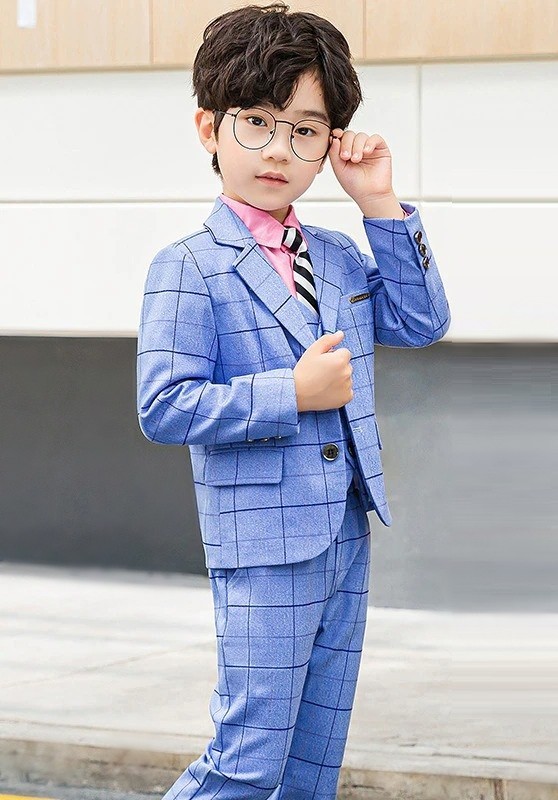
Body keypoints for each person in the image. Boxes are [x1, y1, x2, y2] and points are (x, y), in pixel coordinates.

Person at [136, 3, 450, 798]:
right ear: (209, 129)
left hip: (347, 531)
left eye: (305, 130)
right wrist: (292, 392)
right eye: (256, 122)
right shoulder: (189, 266)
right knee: (247, 762)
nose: (279, 149)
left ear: (329, 144)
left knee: (312, 768)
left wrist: (379, 203)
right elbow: (163, 405)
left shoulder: (338, 255)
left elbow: (421, 322)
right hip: (262, 545)